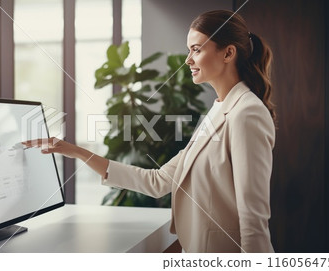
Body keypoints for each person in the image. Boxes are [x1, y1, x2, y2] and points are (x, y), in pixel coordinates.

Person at [23, 10, 276, 253]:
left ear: (228, 53)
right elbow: (158, 181)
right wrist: (75, 151)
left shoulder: (247, 113)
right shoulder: (219, 109)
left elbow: (253, 220)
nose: (188, 60)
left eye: (196, 50)